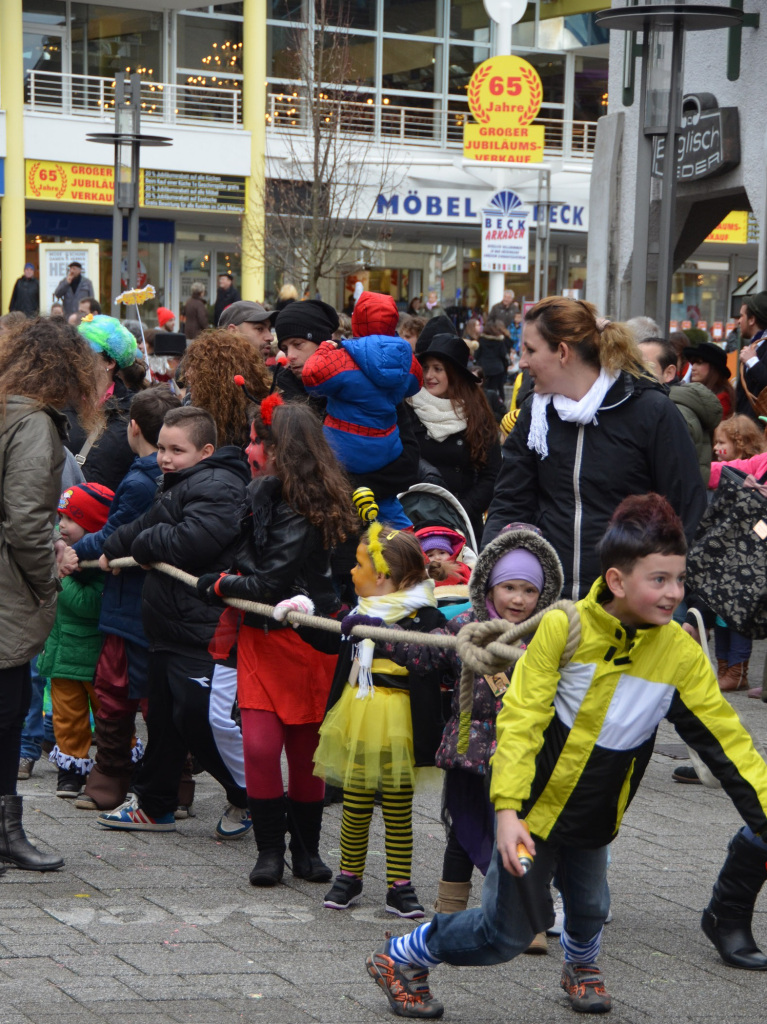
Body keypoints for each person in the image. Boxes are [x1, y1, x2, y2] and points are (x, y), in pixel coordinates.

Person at [365, 494, 767, 1018]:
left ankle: (580, 965)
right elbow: (521, 722)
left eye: (679, 580)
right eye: (659, 580)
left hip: (599, 809)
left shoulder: (680, 655)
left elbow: (729, 743)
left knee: (592, 907)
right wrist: (506, 814)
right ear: (618, 581)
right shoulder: (564, 628)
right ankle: (401, 957)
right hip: (532, 813)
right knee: (503, 934)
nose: (674, 594)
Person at [382, 524, 562, 959]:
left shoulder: (546, 638)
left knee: (522, 836)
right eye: (509, 588)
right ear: (489, 586)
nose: (518, 599)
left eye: (528, 591)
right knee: (461, 833)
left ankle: (527, 920)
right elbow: (425, 653)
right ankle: (449, 911)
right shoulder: (466, 624)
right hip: (470, 751)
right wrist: (378, 633)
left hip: (522, 756)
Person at [198, 398, 357, 886]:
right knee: (262, 747)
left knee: (306, 752)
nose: (247, 450)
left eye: (254, 441)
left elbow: (269, 583)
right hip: (263, 640)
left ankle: (305, 851)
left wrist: (218, 585)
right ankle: (270, 852)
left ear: (279, 449)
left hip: (310, 643)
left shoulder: (307, 506)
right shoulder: (263, 495)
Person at [484, 297, 707, 600]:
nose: (522, 362)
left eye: (531, 350)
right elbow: (510, 504)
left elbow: (687, 512)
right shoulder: (534, 415)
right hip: (550, 609)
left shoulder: (652, 411)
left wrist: (685, 603)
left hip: (628, 609)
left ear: (562, 352)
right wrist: (493, 576)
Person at [96, 406, 251, 834]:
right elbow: (149, 523)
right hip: (169, 625)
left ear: (205, 451)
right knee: (163, 722)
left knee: (201, 722)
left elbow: (191, 541)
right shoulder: (180, 482)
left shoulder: (219, 485)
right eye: (161, 447)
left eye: (176, 450)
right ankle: (155, 804)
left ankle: (251, 795)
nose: (164, 458)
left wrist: (142, 546)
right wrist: (111, 547)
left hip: (203, 629)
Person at [0, 315, 102, 871]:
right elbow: (24, 520)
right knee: (8, 710)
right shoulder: (31, 423)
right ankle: (6, 834)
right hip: (9, 588)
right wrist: (50, 576)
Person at [313, 525, 446, 917]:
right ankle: (349, 875)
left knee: (397, 806)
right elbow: (330, 642)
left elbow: (432, 664)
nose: (352, 572)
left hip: (401, 720)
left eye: (358, 565)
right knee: (354, 801)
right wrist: (300, 610)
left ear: (383, 576)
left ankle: (399, 885)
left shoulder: (424, 617)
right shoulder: (357, 613)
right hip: (358, 713)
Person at [69, 387, 182, 812]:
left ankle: (109, 781)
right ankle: (174, 783)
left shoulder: (139, 478)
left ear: (134, 427)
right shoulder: (183, 473)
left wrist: (72, 552)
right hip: (163, 606)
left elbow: (115, 537)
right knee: (162, 698)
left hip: (131, 606)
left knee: (117, 693)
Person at [302, 291, 423, 528]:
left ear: (357, 319)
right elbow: (415, 385)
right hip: (386, 450)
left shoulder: (344, 357)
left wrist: (326, 347)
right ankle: (408, 544)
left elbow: (311, 376)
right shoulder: (406, 359)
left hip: (342, 448)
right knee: (386, 505)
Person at [38, 483, 114, 798]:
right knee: (67, 719)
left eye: (70, 519)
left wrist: (62, 577)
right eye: (60, 518)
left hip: (93, 658)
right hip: (61, 656)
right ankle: (71, 769)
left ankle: (118, 764)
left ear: (95, 526)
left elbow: (88, 604)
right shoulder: (59, 556)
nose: (61, 526)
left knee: (109, 716)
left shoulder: (101, 567)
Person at [409, 333, 502, 542]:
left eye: (438, 368)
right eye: (426, 367)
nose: (429, 375)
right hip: (415, 521)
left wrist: (461, 510)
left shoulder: (477, 415)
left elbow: (492, 474)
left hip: (462, 525)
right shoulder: (409, 408)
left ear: (454, 374)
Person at [703, 415, 767, 696]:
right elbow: (727, 470)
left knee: (741, 609)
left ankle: (737, 669)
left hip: (755, 548)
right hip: (742, 548)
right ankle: (726, 668)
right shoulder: (761, 461)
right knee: (724, 607)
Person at [638, 336, 722, 485]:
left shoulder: (673, 413)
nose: (636, 373)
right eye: (632, 366)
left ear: (669, 373)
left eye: (646, 368)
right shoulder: (662, 406)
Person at [72, 315, 143, 491]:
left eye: (85, 353)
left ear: (110, 362)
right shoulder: (60, 402)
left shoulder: (131, 412)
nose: (75, 358)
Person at [181, 328, 271, 447]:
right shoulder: (192, 408)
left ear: (218, 376)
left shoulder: (255, 425)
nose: (187, 374)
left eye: (196, 368)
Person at [684, 341, 735, 419]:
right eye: (693, 363)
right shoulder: (692, 391)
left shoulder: (722, 400)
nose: (693, 368)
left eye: (699, 363)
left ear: (713, 368)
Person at [736, 291, 767, 419]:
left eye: (741, 316)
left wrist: (753, 361)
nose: (738, 321)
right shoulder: (756, 345)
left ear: (752, 320)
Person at [475, 317, 510, 395]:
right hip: (497, 369)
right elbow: (503, 355)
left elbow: (476, 355)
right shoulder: (500, 341)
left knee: (483, 391)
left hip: (484, 368)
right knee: (497, 391)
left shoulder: (481, 340)